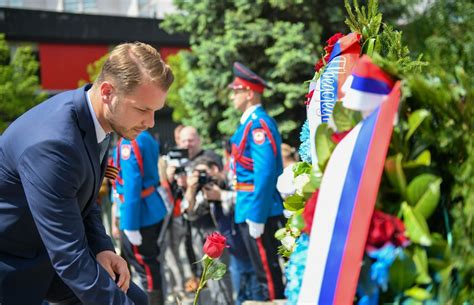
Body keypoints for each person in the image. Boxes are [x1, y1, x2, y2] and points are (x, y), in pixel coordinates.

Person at [0, 42, 173, 305]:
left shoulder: (97, 119)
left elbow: (83, 195)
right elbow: (69, 257)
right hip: (13, 266)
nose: (149, 123)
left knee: (136, 298)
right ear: (107, 91)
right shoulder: (54, 144)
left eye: (155, 112)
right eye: (142, 109)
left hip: (48, 252)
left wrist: (102, 247)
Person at [227, 62, 286, 300]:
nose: (232, 96)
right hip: (248, 203)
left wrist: (258, 215)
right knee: (261, 272)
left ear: (249, 93)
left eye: (236, 91)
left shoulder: (258, 124)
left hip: (256, 206)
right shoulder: (249, 123)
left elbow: (265, 171)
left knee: (267, 276)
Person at [113, 131, 168, 304]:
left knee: (146, 268)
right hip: (146, 208)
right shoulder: (145, 136)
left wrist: (130, 224)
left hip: (138, 214)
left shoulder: (130, 141)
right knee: (148, 265)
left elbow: (132, 183)